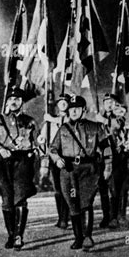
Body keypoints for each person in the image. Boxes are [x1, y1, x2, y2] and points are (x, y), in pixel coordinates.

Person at [50, 95, 112, 250]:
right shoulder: (63, 129)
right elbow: (52, 148)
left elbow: (106, 147)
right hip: (69, 171)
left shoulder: (96, 127)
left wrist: (108, 166)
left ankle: (88, 236)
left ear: (83, 110)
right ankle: (78, 238)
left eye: (77, 108)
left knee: (86, 202)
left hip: (88, 170)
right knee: (73, 204)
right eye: (71, 109)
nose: (74, 112)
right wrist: (57, 158)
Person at [0, 86, 38, 250]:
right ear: (7, 102)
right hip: (3, 163)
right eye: (10, 99)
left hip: (22, 162)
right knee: (7, 200)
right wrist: (0, 149)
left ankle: (18, 236)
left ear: (22, 102)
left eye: (17, 99)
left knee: (20, 198)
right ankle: (11, 235)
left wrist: (37, 148)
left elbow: (37, 143)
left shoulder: (30, 121)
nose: (13, 102)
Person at [38, 94, 71, 229]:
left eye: (65, 102)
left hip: (68, 159)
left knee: (67, 189)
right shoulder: (48, 124)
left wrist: (51, 119)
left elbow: (65, 123)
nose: (63, 104)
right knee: (58, 190)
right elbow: (43, 144)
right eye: (60, 102)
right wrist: (44, 163)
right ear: (57, 105)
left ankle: (67, 217)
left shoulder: (71, 120)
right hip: (53, 159)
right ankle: (61, 218)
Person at [95, 93, 117, 228]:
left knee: (114, 189)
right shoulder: (98, 118)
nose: (109, 104)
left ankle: (115, 217)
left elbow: (117, 126)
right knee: (103, 188)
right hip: (103, 156)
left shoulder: (119, 116)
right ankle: (106, 216)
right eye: (106, 102)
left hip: (117, 156)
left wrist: (102, 120)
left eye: (111, 102)